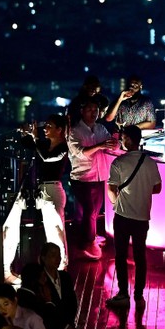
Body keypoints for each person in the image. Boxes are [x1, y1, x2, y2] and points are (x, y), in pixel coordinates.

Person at [4, 114, 70, 283]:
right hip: (42, 191)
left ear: (59, 130)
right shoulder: (45, 145)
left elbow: (47, 157)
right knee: (51, 229)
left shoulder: (63, 147)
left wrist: (34, 137)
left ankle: (61, 266)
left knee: (56, 229)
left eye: (49, 126)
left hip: (53, 189)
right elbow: (31, 147)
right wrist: (25, 134)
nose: (45, 128)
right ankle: (56, 267)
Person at [105, 125, 163, 308]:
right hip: (142, 216)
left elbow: (111, 188)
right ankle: (139, 294)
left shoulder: (119, 163)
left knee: (121, 256)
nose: (121, 141)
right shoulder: (150, 162)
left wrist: (116, 204)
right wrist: (142, 190)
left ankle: (123, 293)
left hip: (122, 216)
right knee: (140, 257)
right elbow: (158, 188)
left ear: (129, 139)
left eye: (123, 138)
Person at [67, 99, 118, 260]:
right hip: (82, 178)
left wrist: (114, 142)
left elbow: (111, 145)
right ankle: (87, 243)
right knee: (89, 211)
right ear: (82, 111)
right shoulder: (74, 131)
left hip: (100, 176)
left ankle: (88, 240)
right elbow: (79, 152)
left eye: (96, 109)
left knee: (94, 212)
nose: (93, 112)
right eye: (90, 109)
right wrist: (100, 146)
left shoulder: (100, 128)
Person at [40, 242, 85, 329]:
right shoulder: (40, 280)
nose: (58, 259)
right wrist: (64, 326)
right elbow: (44, 310)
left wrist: (69, 325)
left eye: (59, 255)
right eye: (53, 255)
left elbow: (72, 302)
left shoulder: (64, 277)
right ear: (43, 258)